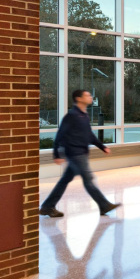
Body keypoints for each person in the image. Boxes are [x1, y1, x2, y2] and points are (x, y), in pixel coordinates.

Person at [39, 90, 121, 218]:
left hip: (81, 152)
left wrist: (102, 147)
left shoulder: (84, 115)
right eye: (87, 95)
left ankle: (47, 207)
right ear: (78, 98)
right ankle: (104, 205)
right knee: (88, 179)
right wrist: (56, 154)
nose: (90, 97)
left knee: (64, 181)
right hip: (75, 153)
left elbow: (89, 135)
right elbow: (60, 135)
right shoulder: (71, 116)